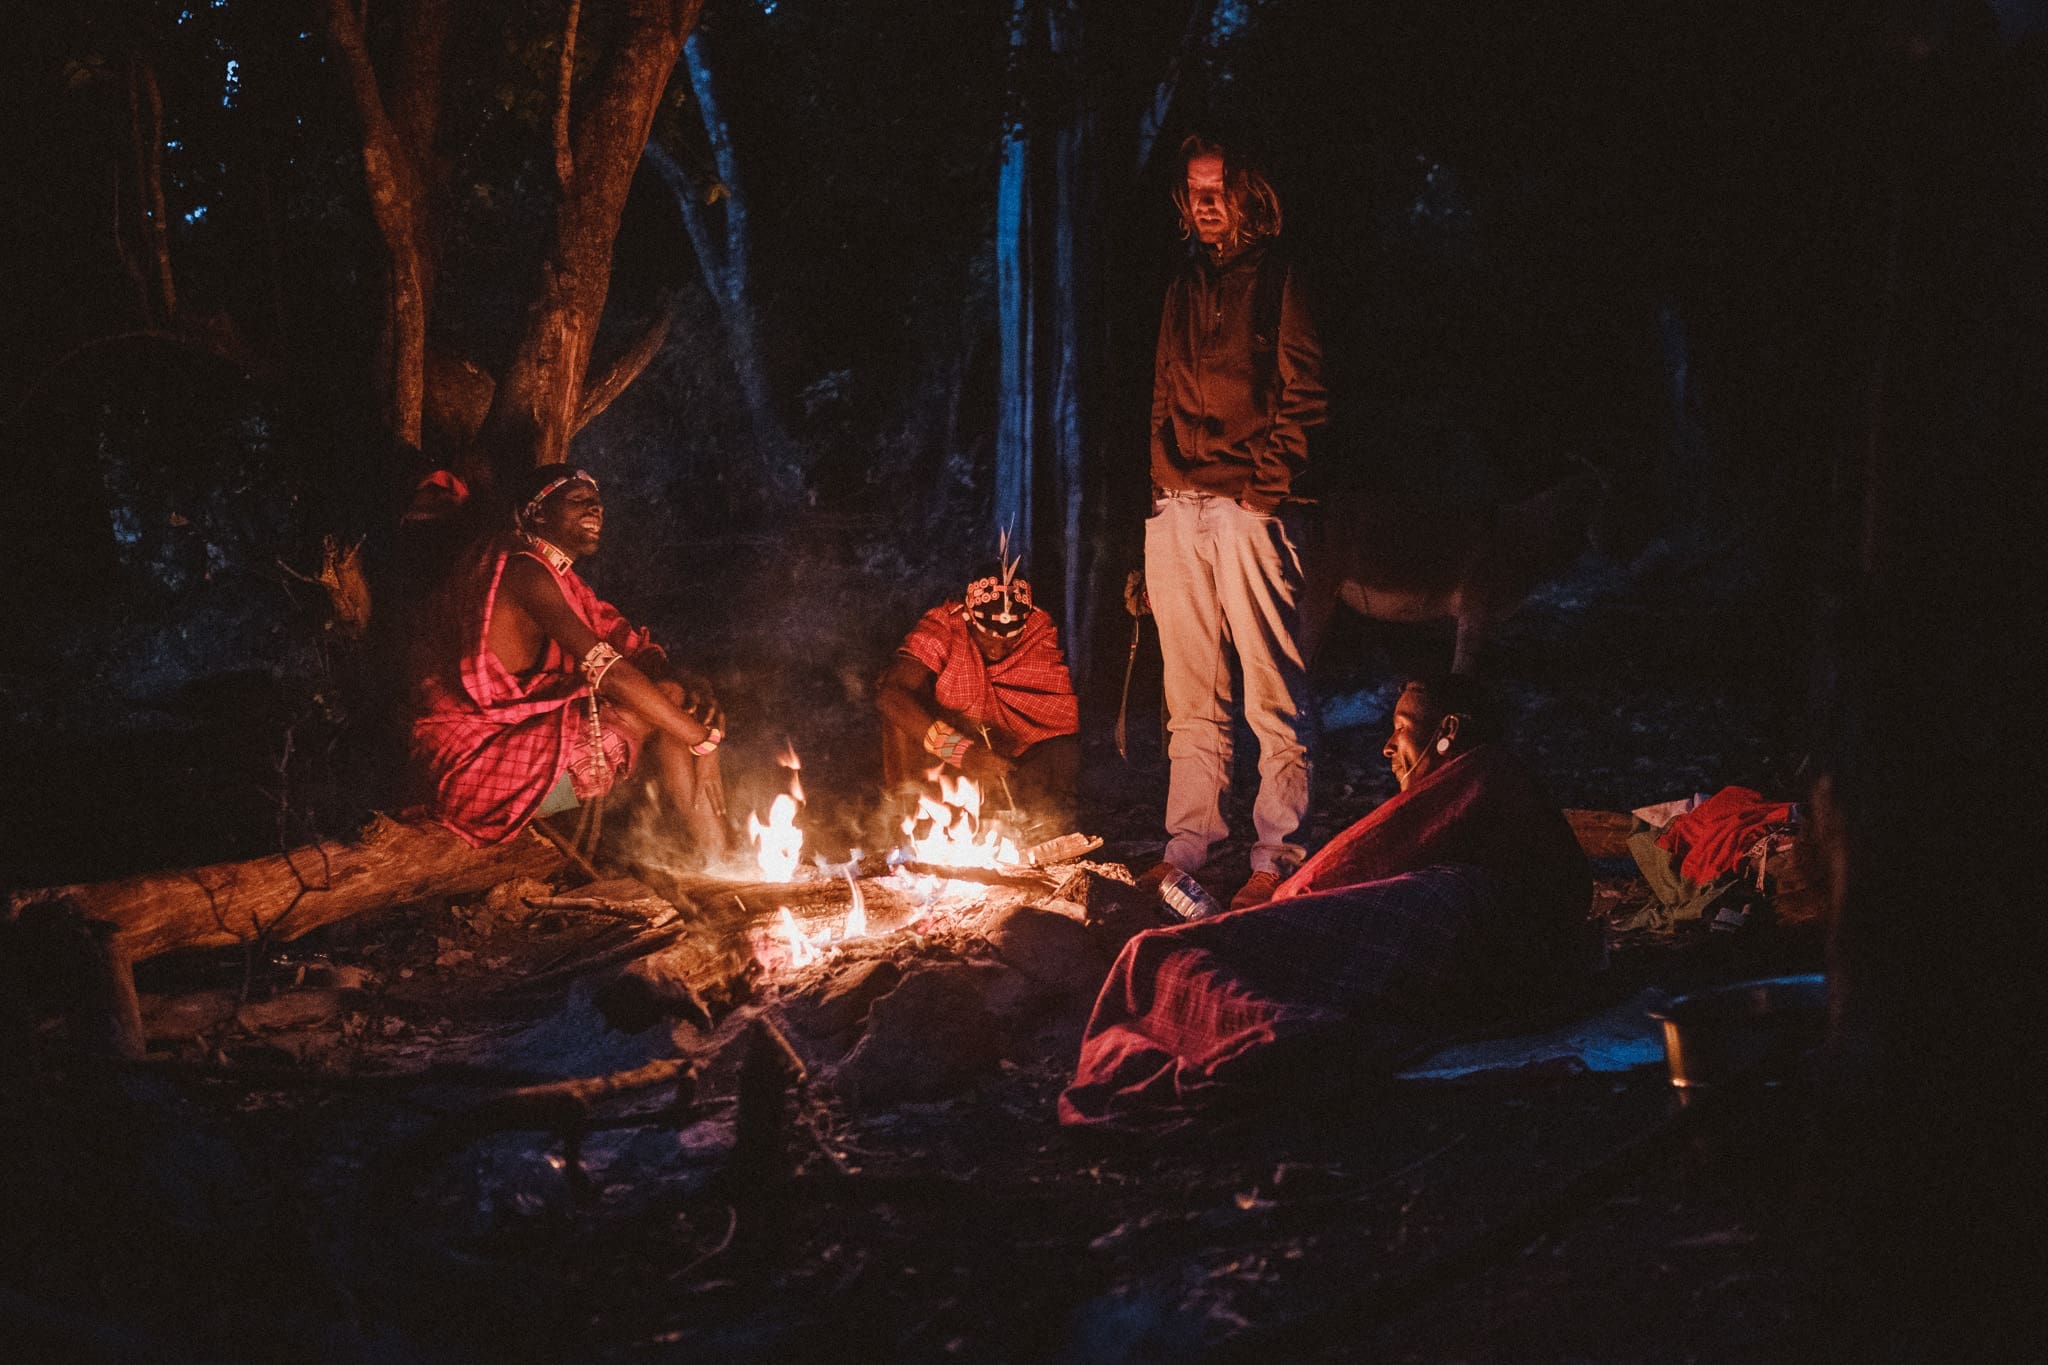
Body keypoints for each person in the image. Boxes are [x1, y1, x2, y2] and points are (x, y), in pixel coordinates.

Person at [1060, 674, 1594, 1128]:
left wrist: (1287, 903)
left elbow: (1367, 855)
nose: (1388, 747)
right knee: (1188, 959)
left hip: (1458, 919)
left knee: (1160, 956)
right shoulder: (1487, 791)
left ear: (1448, 731)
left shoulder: (1481, 775)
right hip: (1478, 946)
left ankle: (1286, 1034)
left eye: (1402, 729)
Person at [1144, 132, 1329, 911]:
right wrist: (1160, 483)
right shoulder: (1185, 283)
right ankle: (1188, 844)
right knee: (1190, 695)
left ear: (1248, 193)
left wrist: (1264, 491)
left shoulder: (1282, 277)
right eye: (1195, 190)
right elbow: (1161, 388)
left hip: (1250, 506)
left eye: (1218, 189)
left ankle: (1276, 854)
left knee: (1270, 692)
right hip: (1177, 506)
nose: (1205, 203)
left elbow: (1306, 391)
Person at [409, 464, 730, 858]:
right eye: (579, 501)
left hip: (505, 755)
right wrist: (703, 741)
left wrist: (695, 707)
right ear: (537, 513)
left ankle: (719, 855)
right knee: (668, 705)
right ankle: (718, 857)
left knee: (676, 700)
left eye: (597, 504)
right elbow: (611, 675)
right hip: (475, 784)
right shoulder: (525, 572)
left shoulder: (555, 575)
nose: (595, 510)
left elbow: (623, 643)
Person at [877, 565, 1081, 828]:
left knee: (1062, 746)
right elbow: (890, 696)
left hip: (1011, 755)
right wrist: (964, 753)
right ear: (968, 618)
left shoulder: (1037, 629)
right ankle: (911, 824)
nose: (998, 649)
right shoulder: (944, 625)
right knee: (900, 712)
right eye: (987, 637)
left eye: (1010, 640)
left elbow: (1057, 718)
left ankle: (1041, 824)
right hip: (946, 746)